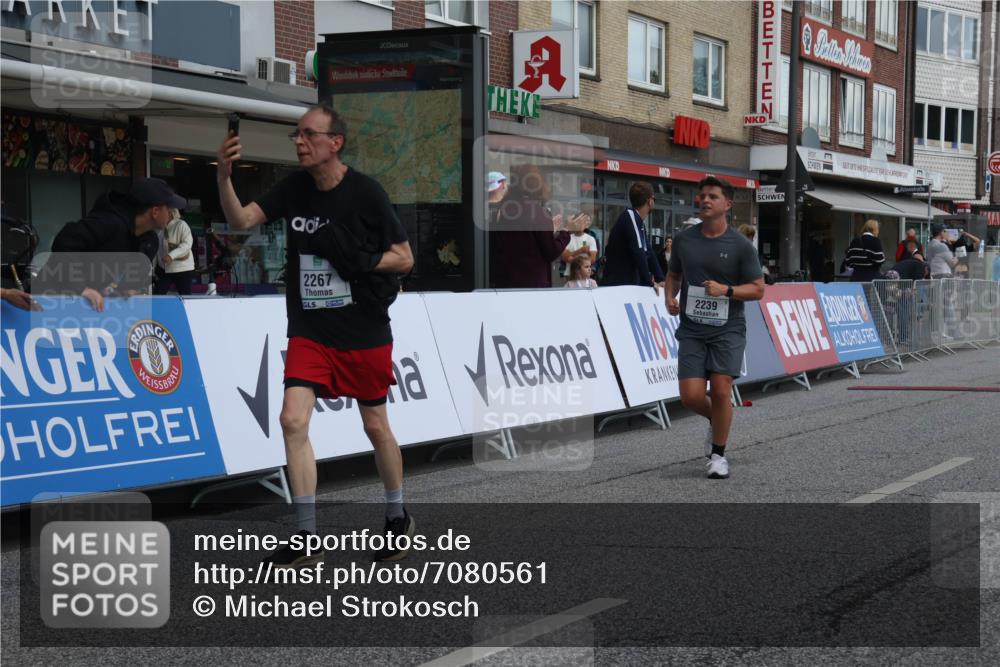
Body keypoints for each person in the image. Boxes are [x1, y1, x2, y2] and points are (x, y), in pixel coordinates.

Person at [216, 104, 416, 565]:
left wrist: (360, 261)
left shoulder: (366, 192)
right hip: (309, 328)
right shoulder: (294, 188)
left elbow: (404, 258)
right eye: (297, 135)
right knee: (292, 419)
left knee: (375, 425)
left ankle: (396, 515)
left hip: (362, 327)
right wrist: (224, 176)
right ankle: (306, 533)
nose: (300, 142)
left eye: (309, 134)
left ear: (335, 142)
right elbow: (242, 220)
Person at [665, 177, 764, 480]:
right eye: (702, 196)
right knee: (690, 397)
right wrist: (669, 297)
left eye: (713, 196)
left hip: (728, 328)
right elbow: (674, 275)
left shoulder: (741, 245)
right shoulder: (684, 240)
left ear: (727, 204)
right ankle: (717, 420)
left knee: (721, 390)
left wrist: (727, 291)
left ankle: (718, 456)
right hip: (692, 329)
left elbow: (758, 289)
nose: (705, 200)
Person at [46, 178, 184, 311]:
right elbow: (64, 243)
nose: (171, 213)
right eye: (169, 209)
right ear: (155, 212)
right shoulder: (108, 223)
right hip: (52, 301)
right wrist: (82, 288)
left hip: (98, 309)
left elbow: (126, 280)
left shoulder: (149, 242)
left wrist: (128, 289)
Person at [491, 164, 587, 288]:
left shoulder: (504, 210)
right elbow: (551, 252)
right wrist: (566, 231)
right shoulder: (537, 211)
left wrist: (549, 229)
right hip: (531, 284)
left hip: (505, 282)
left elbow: (522, 241)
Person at [602, 181, 665, 291]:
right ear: (650, 201)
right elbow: (638, 251)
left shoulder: (637, 221)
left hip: (626, 285)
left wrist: (660, 279)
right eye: (654, 199)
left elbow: (648, 251)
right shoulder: (630, 216)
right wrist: (650, 281)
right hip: (617, 286)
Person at [153, 209, 196, 295]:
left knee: (185, 296)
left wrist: (171, 256)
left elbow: (187, 244)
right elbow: (156, 250)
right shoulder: (159, 229)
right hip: (164, 269)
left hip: (182, 268)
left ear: (169, 213)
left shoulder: (181, 224)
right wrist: (152, 269)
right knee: (157, 294)